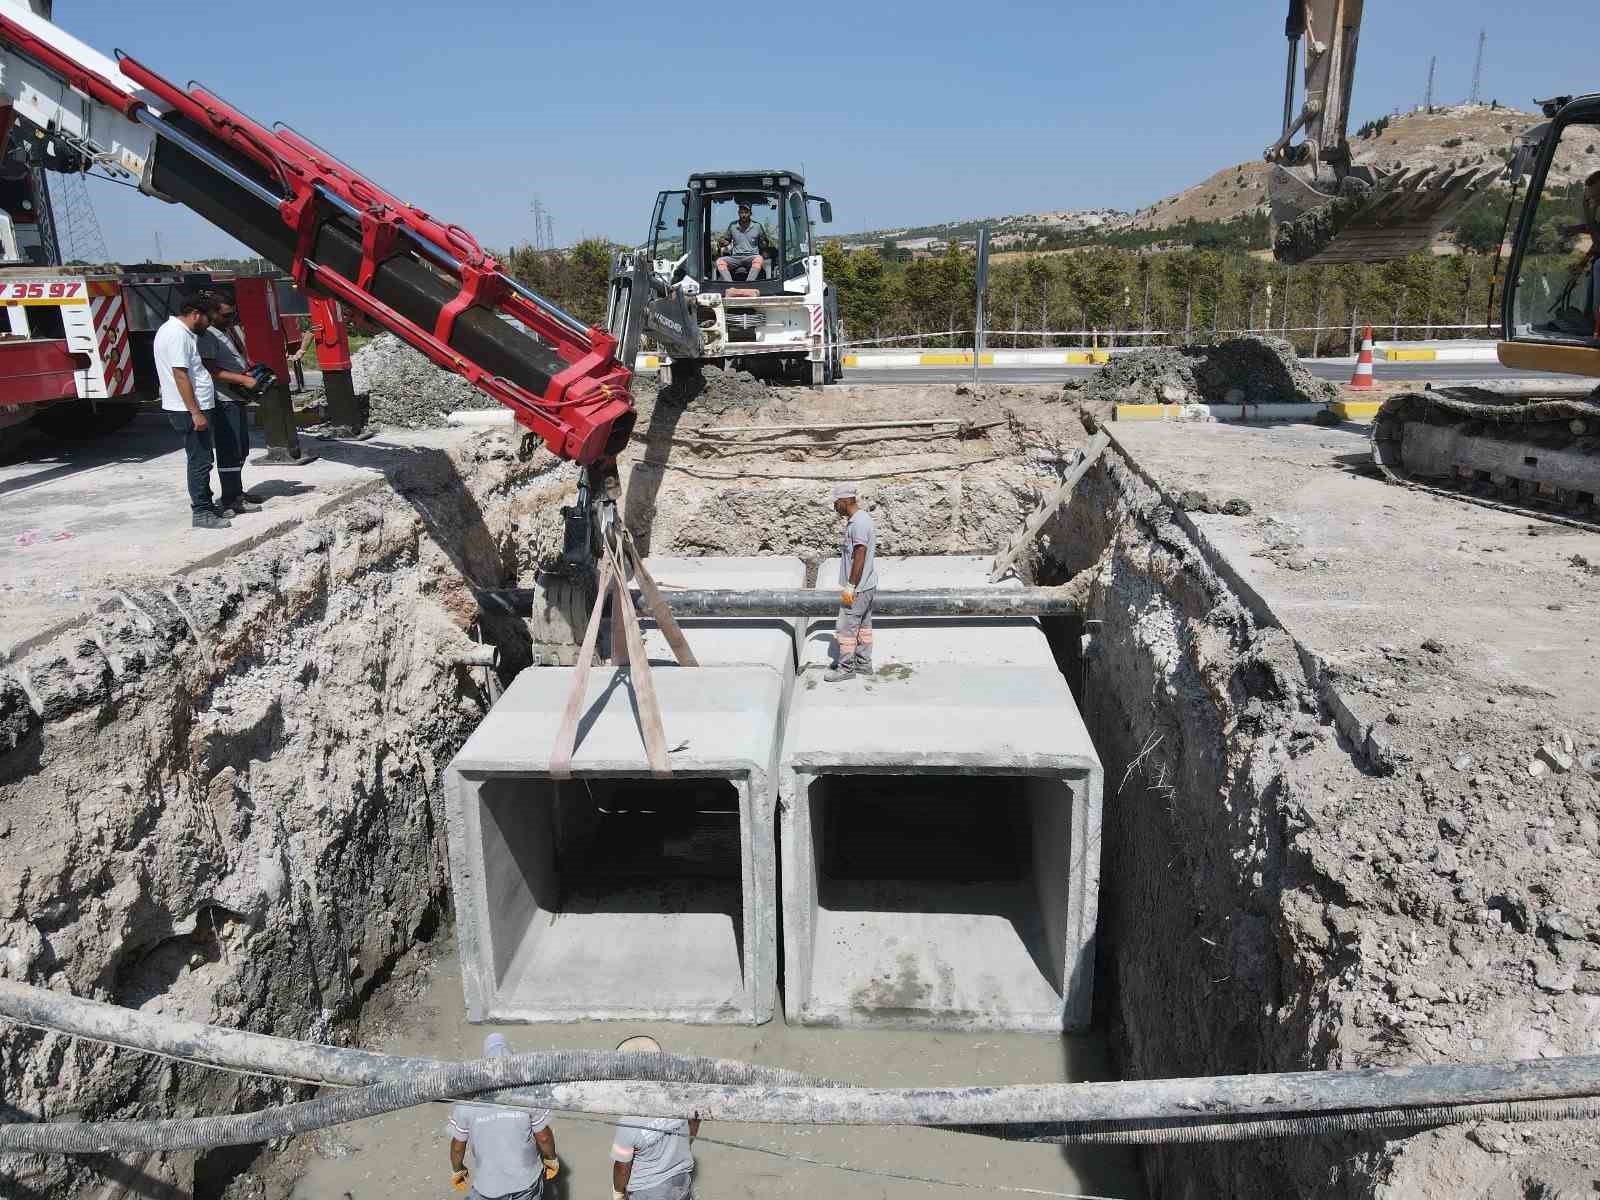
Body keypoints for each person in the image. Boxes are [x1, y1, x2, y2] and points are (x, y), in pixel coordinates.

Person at [447, 1033, 560, 1200]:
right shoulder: (528, 1092)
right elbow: (543, 1138)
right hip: (526, 1184)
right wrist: (551, 1159)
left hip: (488, 1188)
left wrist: (458, 1169)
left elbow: (457, 1146)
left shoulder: (467, 1100)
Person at [153, 292, 230, 529]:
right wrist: (195, 412)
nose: (210, 323)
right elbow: (180, 374)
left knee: (203, 459)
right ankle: (201, 512)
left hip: (192, 407)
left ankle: (206, 505)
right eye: (209, 318)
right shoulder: (178, 335)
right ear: (196, 315)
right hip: (188, 410)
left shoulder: (178, 332)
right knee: (200, 461)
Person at [196, 293, 266, 515]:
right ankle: (230, 498)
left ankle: (237, 490)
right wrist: (244, 380)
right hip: (223, 400)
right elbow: (211, 368)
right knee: (230, 449)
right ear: (213, 312)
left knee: (241, 448)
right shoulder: (208, 336)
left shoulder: (226, 330)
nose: (230, 318)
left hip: (236, 398)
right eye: (226, 314)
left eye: (232, 313)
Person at [610, 1035, 699, 1200]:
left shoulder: (628, 1123)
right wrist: (678, 1150)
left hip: (648, 1191)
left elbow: (622, 1169)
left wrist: (618, 1192)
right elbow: (695, 1120)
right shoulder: (681, 1096)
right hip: (681, 1179)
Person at [826, 482, 877, 682]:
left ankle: (846, 668)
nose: (835, 507)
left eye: (837, 502)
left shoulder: (858, 523)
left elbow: (860, 555)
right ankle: (863, 663)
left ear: (846, 501)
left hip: (858, 588)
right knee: (864, 625)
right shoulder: (861, 519)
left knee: (846, 628)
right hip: (867, 586)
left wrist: (850, 586)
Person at [713, 202, 773, 282]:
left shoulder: (757, 226)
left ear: (750, 213)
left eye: (746, 212)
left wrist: (764, 244)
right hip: (735, 257)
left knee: (759, 259)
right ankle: (730, 284)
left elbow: (764, 243)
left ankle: (748, 284)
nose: (744, 215)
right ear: (738, 213)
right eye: (741, 212)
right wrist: (722, 242)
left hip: (752, 257)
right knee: (720, 261)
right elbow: (727, 241)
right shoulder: (733, 226)